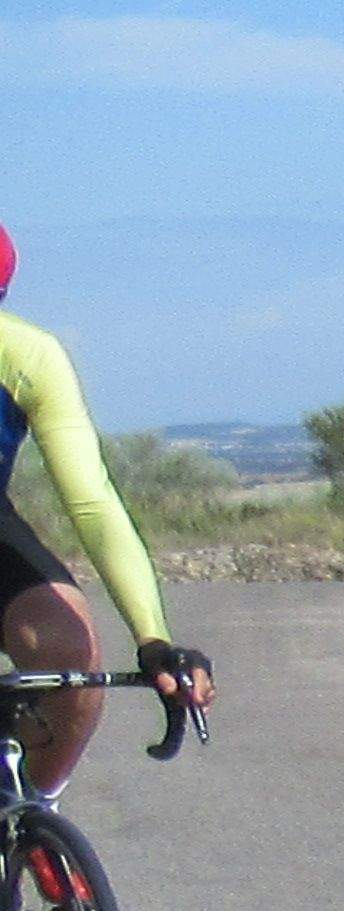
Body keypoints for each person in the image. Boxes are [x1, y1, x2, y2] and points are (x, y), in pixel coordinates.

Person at [0, 219, 213, 784]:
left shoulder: (27, 356)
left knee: (70, 655)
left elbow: (92, 504)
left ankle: (27, 822)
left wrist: (154, 639)